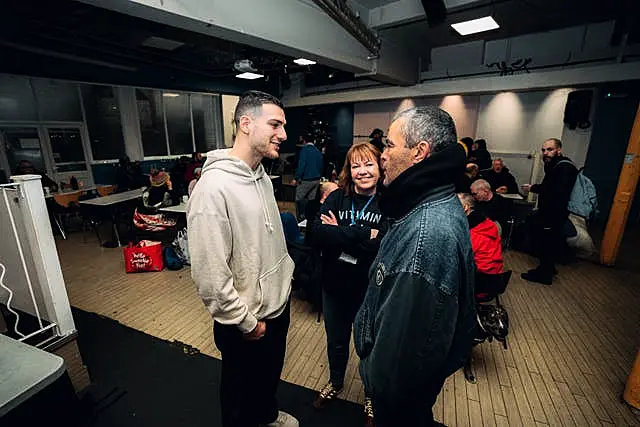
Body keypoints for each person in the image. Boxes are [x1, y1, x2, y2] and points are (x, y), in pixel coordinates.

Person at [354, 106, 475, 427]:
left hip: (397, 398)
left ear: (420, 152)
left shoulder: (426, 234)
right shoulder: (432, 202)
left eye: (390, 146)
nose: (382, 154)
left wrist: (374, 381)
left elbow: (401, 356)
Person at [187, 90, 298, 427]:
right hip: (246, 322)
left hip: (276, 305)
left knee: (266, 382)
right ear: (246, 124)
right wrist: (247, 323)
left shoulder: (262, 175)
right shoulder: (213, 189)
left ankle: (266, 416)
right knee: (237, 396)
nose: (284, 134)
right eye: (275, 124)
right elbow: (210, 278)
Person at [310, 143, 386, 426]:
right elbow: (317, 234)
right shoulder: (337, 198)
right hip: (334, 286)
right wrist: (364, 233)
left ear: (379, 167)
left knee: (369, 346)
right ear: (348, 171)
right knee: (337, 342)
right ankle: (336, 382)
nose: (363, 171)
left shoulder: (388, 201)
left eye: (368, 164)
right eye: (356, 166)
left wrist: (339, 233)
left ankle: (371, 396)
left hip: (371, 290)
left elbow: (383, 246)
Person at [521, 138, 578, 285]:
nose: (546, 153)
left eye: (550, 149)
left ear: (559, 150)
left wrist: (534, 188)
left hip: (554, 213)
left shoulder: (564, 167)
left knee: (546, 243)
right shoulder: (556, 166)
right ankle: (548, 268)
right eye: (544, 150)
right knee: (550, 242)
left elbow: (556, 190)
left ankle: (544, 275)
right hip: (552, 212)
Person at [458, 193, 504, 277]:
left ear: (465, 207)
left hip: (481, 278)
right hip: (496, 274)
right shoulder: (487, 222)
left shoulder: (472, 233)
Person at [292, 136, 323, 221]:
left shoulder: (304, 150)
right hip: (316, 180)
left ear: (304, 141)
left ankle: (300, 219)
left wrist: (296, 178)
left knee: (298, 198)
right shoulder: (317, 151)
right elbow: (321, 166)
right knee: (311, 201)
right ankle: (309, 219)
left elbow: (302, 165)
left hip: (306, 180)